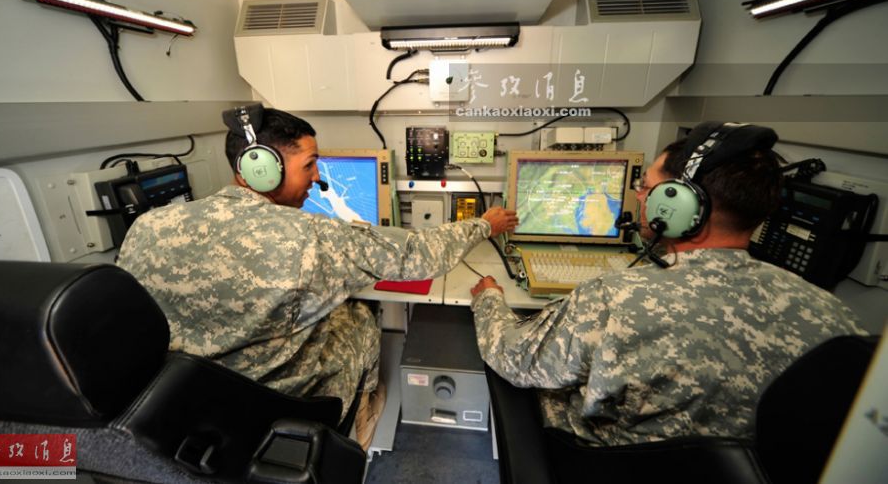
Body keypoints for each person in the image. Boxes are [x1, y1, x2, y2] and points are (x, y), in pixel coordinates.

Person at [117, 106, 518, 448]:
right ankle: (360, 427)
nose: (316, 176)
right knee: (360, 313)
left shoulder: (148, 226)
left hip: (181, 405)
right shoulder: (311, 236)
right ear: (261, 169)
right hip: (277, 404)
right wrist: (484, 224)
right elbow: (418, 256)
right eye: (308, 164)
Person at [470, 122, 865, 446]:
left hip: (611, 468)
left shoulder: (614, 298)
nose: (639, 196)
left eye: (647, 187)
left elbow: (515, 358)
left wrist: (489, 298)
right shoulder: (834, 318)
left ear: (678, 205)